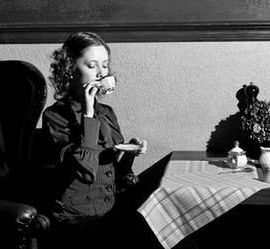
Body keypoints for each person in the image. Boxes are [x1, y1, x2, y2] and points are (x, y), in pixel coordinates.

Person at [42, 31, 198, 249]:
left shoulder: (107, 112)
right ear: (69, 69)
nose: (100, 73)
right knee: (149, 233)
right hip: (77, 219)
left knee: (176, 236)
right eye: (91, 65)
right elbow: (85, 171)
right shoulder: (55, 116)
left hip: (112, 210)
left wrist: (128, 153)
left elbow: (117, 170)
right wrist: (87, 114)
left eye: (104, 65)